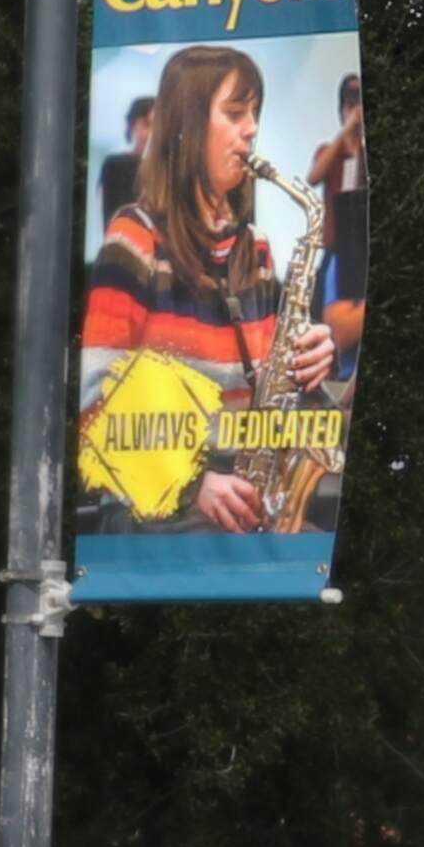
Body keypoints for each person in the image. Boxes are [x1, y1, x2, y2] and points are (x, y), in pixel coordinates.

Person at [81, 40, 336, 536]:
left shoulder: (253, 248)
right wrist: (194, 480)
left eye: (255, 113)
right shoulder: (133, 241)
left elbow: (271, 392)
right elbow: (96, 402)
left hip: (240, 497)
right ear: (187, 126)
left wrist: (309, 365)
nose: (252, 129)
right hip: (157, 506)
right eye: (236, 113)